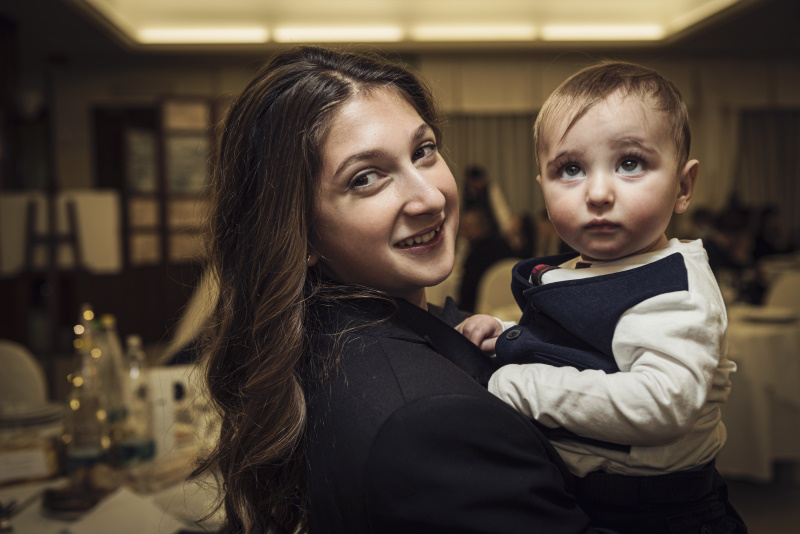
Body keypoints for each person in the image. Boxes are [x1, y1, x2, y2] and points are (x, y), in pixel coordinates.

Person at [192, 46, 613, 534]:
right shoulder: (428, 420)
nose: (430, 198)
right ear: (300, 233)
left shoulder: (314, 341)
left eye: (423, 151)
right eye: (366, 178)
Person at [456, 61, 747, 533]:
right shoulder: (585, 267)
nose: (597, 193)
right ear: (544, 191)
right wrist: (507, 336)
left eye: (630, 163)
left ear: (683, 186)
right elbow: (586, 348)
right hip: (579, 490)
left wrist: (520, 385)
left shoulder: (674, 286)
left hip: (656, 512)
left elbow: (660, 404)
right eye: (570, 169)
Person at [457, 207, 516, 312]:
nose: (463, 231)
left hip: (477, 309)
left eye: (468, 226)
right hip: (512, 306)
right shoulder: (504, 244)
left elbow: (466, 293)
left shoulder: (477, 253)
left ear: (481, 226)